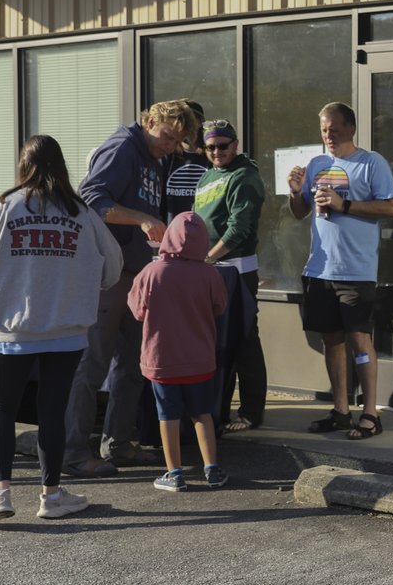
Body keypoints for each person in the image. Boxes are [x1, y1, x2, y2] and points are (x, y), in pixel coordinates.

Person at [0, 135, 124, 522]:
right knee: (53, 411)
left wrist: (13, 277)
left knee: (1, 409)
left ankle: (0, 492)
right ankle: (51, 496)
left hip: (11, 329)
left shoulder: (4, 207)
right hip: (66, 331)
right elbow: (113, 266)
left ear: (23, 165)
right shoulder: (82, 212)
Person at [61, 99, 198, 477]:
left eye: (178, 142)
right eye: (168, 137)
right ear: (150, 120)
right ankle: (74, 452)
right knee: (93, 363)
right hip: (108, 273)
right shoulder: (123, 147)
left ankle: (118, 443)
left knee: (134, 363)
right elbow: (91, 199)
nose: (171, 147)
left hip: (136, 272)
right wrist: (141, 219)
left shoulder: (152, 156)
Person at [287, 102, 393, 440]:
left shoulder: (371, 163)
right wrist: (295, 192)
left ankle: (370, 413)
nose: (329, 136)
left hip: (356, 269)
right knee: (331, 339)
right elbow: (299, 212)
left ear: (351, 128)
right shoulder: (318, 163)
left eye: (335, 129)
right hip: (320, 269)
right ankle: (340, 410)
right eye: (324, 130)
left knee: (359, 338)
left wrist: (344, 204)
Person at [127, 211, 228, 492]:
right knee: (202, 414)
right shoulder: (209, 273)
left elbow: (137, 311)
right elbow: (220, 307)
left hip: (162, 360)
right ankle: (213, 469)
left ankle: (175, 473)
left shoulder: (151, 272)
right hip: (200, 359)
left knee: (167, 415)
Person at [194, 119, 267, 432]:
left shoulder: (244, 176)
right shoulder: (208, 174)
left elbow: (240, 228)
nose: (216, 152)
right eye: (210, 147)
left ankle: (251, 413)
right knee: (217, 345)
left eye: (222, 146)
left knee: (245, 341)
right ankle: (218, 412)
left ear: (235, 145)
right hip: (209, 269)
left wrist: (207, 258)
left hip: (236, 270)